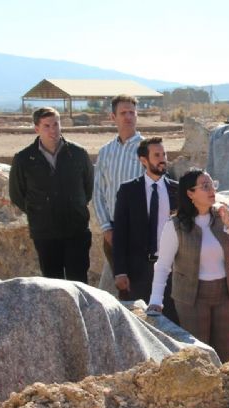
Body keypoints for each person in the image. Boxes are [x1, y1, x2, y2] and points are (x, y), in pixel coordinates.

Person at [147, 169, 229, 362]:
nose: (212, 190)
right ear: (190, 194)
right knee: (199, 356)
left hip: (226, 293)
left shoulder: (223, 216)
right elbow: (163, 265)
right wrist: (156, 301)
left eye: (213, 185)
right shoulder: (175, 225)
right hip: (191, 297)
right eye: (205, 186)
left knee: (226, 354)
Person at [9, 107, 93, 283]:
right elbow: (17, 194)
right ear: (36, 129)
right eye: (46, 126)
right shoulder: (24, 159)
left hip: (76, 230)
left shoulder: (78, 154)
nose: (53, 130)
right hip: (45, 233)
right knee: (53, 285)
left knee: (79, 282)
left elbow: (88, 188)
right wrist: (40, 212)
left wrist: (73, 205)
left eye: (56, 124)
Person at [112, 137, 179, 323]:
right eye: (156, 155)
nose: (162, 159)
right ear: (143, 160)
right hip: (138, 271)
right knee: (141, 323)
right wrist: (120, 271)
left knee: (172, 322)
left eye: (164, 154)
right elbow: (120, 234)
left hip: (171, 270)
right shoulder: (128, 191)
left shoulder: (177, 190)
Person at [93, 95, 144, 295]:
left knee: (141, 286)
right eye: (123, 113)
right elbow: (98, 192)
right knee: (121, 287)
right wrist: (106, 228)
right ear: (113, 117)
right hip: (113, 229)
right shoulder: (105, 152)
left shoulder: (147, 149)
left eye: (132, 112)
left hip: (140, 229)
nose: (128, 117)